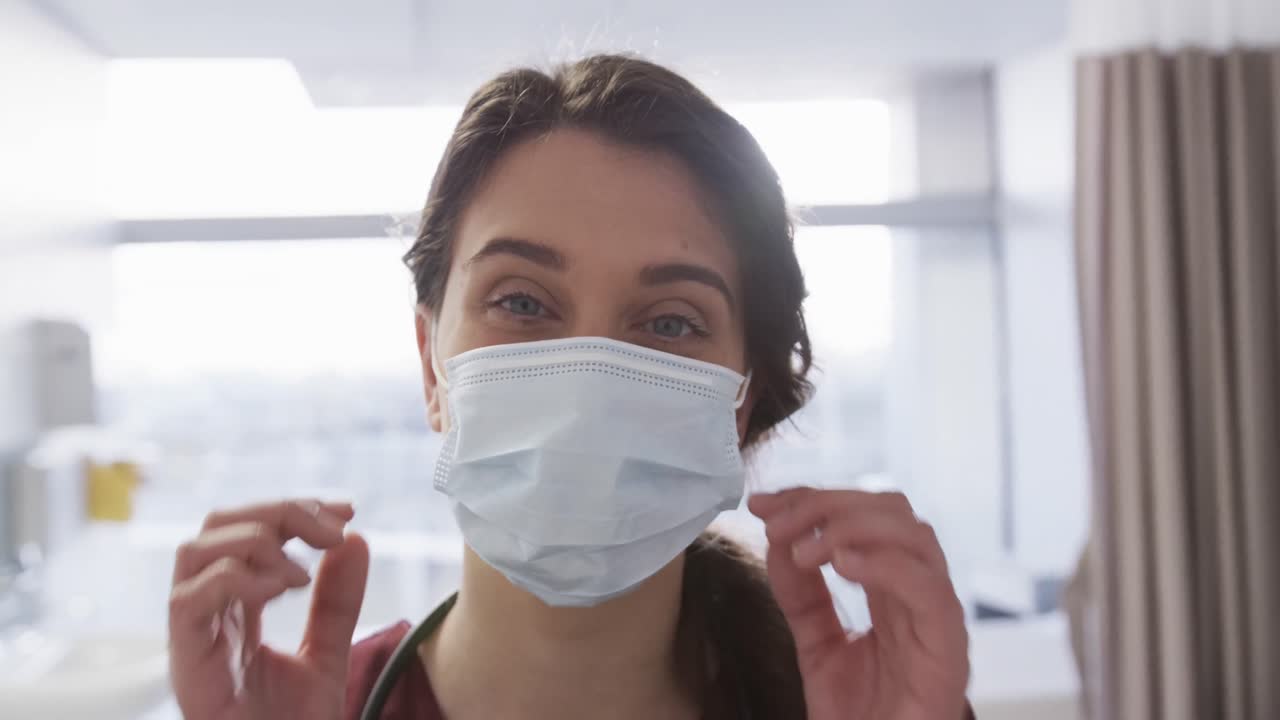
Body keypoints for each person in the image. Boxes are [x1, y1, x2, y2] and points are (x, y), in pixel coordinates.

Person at [166, 54, 973, 720]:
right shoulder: (302, 710)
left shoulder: (854, 707)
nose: (586, 380)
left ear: (744, 397)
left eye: (668, 323)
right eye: (521, 302)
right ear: (430, 363)